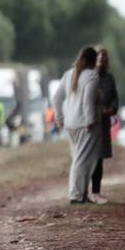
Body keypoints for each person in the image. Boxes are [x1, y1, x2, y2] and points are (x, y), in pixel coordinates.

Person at [52, 46, 100, 204]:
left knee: (79, 159)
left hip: (70, 123)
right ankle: (76, 195)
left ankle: (82, 194)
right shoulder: (92, 76)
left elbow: (56, 98)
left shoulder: (68, 74)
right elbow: (88, 102)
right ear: (93, 61)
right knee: (83, 161)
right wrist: (90, 120)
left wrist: (59, 117)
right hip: (85, 125)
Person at [89, 47, 120, 204]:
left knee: (99, 159)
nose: (100, 61)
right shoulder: (87, 77)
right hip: (89, 123)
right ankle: (81, 192)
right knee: (87, 158)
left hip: (103, 123)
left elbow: (114, 97)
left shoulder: (109, 78)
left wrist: (112, 109)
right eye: (98, 58)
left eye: (103, 58)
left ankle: (96, 192)